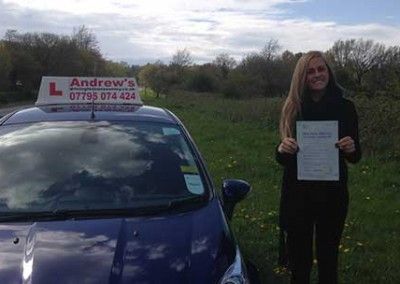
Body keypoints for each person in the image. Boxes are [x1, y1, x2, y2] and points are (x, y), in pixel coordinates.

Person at [275, 51, 361, 284]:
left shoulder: (345, 107)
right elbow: (282, 158)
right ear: (302, 77)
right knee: (299, 263)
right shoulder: (293, 107)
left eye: (321, 69)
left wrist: (351, 148)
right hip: (297, 195)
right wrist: (282, 149)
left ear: (329, 72)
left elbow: (355, 157)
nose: (317, 75)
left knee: (328, 260)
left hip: (332, 195)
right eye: (310, 71)